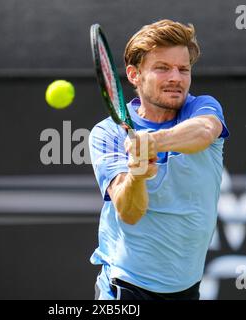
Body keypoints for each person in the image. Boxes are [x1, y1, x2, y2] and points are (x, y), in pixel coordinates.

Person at [89, 19, 230, 300]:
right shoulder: (107, 133)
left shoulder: (202, 107)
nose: (176, 78)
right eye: (162, 68)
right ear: (134, 75)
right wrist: (137, 176)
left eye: (183, 69)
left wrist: (153, 142)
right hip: (124, 288)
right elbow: (129, 212)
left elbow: (204, 131)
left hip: (187, 289)